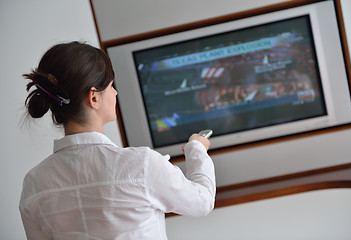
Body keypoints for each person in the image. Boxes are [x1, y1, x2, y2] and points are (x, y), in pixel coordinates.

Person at [19, 41, 216, 240]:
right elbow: (202, 202)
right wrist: (197, 149)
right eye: (111, 85)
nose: (115, 92)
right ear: (94, 98)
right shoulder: (141, 165)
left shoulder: (34, 183)